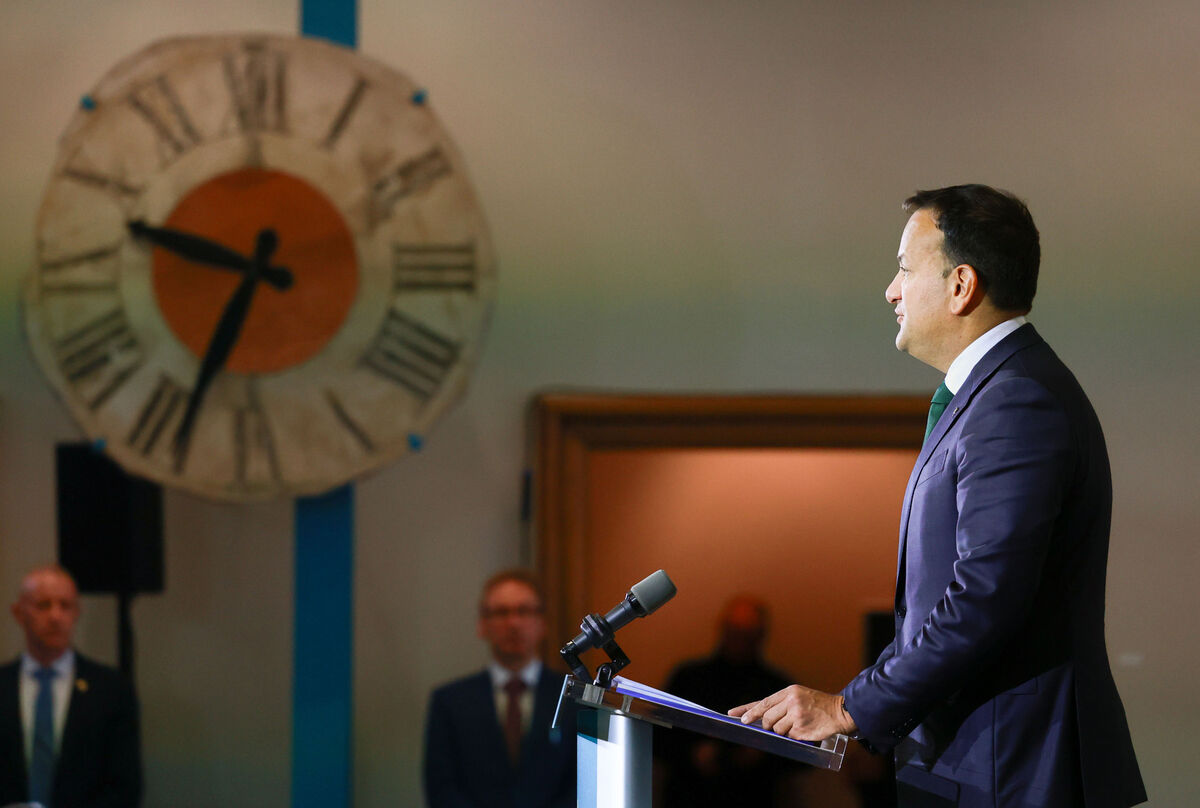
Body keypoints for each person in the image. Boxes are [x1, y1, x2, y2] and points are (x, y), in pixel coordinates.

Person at [731, 185, 1146, 807]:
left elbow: (985, 595)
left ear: (961, 285)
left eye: (904, 269)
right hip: (984, 762)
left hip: (1016, 767)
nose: (891, 291)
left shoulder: (1015, 401)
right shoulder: (995, 394)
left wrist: (851, 706)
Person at [423, 569, 575, 808]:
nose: (513, 623)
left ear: (542, 623)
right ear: (482, 625)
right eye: (501, 612)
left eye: (524, 611)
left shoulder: (572, 697)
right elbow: (441, 789)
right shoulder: (450, 701)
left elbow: (581, 784)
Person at [0, 565, 142, 808]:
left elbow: (125, 786)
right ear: (19, 613)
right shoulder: (3, 684)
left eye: (65, 606)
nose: (55, 617)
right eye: (43, 605)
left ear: (76, 612)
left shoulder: (110, 689)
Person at [656, 595, 798, 808]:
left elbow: (800, 754)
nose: (740, 640)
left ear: (760, 636)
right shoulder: (688, 678)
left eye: (747, 634)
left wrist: (761, 755)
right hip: (690, 796)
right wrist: (693, 754)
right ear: (723, 630)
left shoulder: (777, 688)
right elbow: (658, 738)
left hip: (752, 796)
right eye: (735, 631)